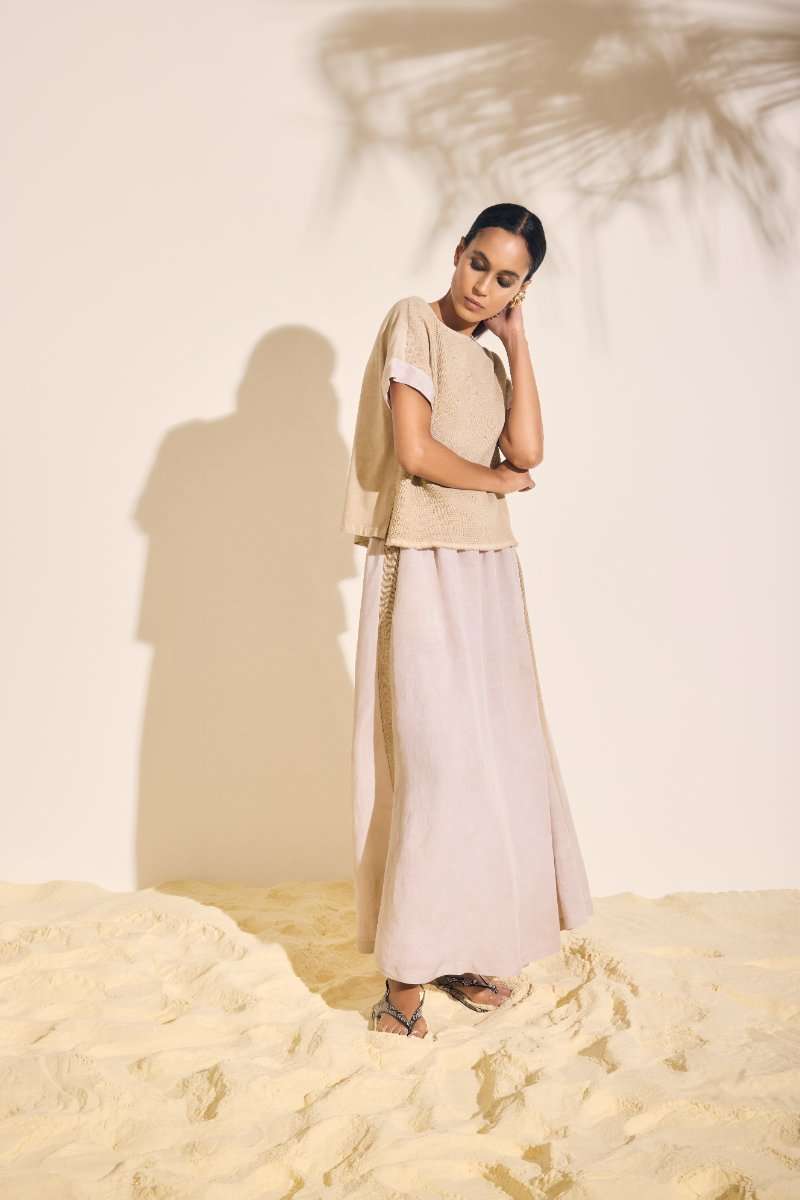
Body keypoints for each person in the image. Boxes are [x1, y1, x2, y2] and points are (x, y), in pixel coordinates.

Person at [341, 203, 594, 1038]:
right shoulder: (412, 321)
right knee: (433, 766)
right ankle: (404, 977)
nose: (483, 286)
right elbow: (415, 452)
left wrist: (518, 346)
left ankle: (455, 948)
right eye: (477, 263)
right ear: (456, 253)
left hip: (488, 570)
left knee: (490, 765)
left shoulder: (490, 357)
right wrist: (495, 485)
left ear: (523, 290)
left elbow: (529, 452)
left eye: (506, 279)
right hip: (419, 558)